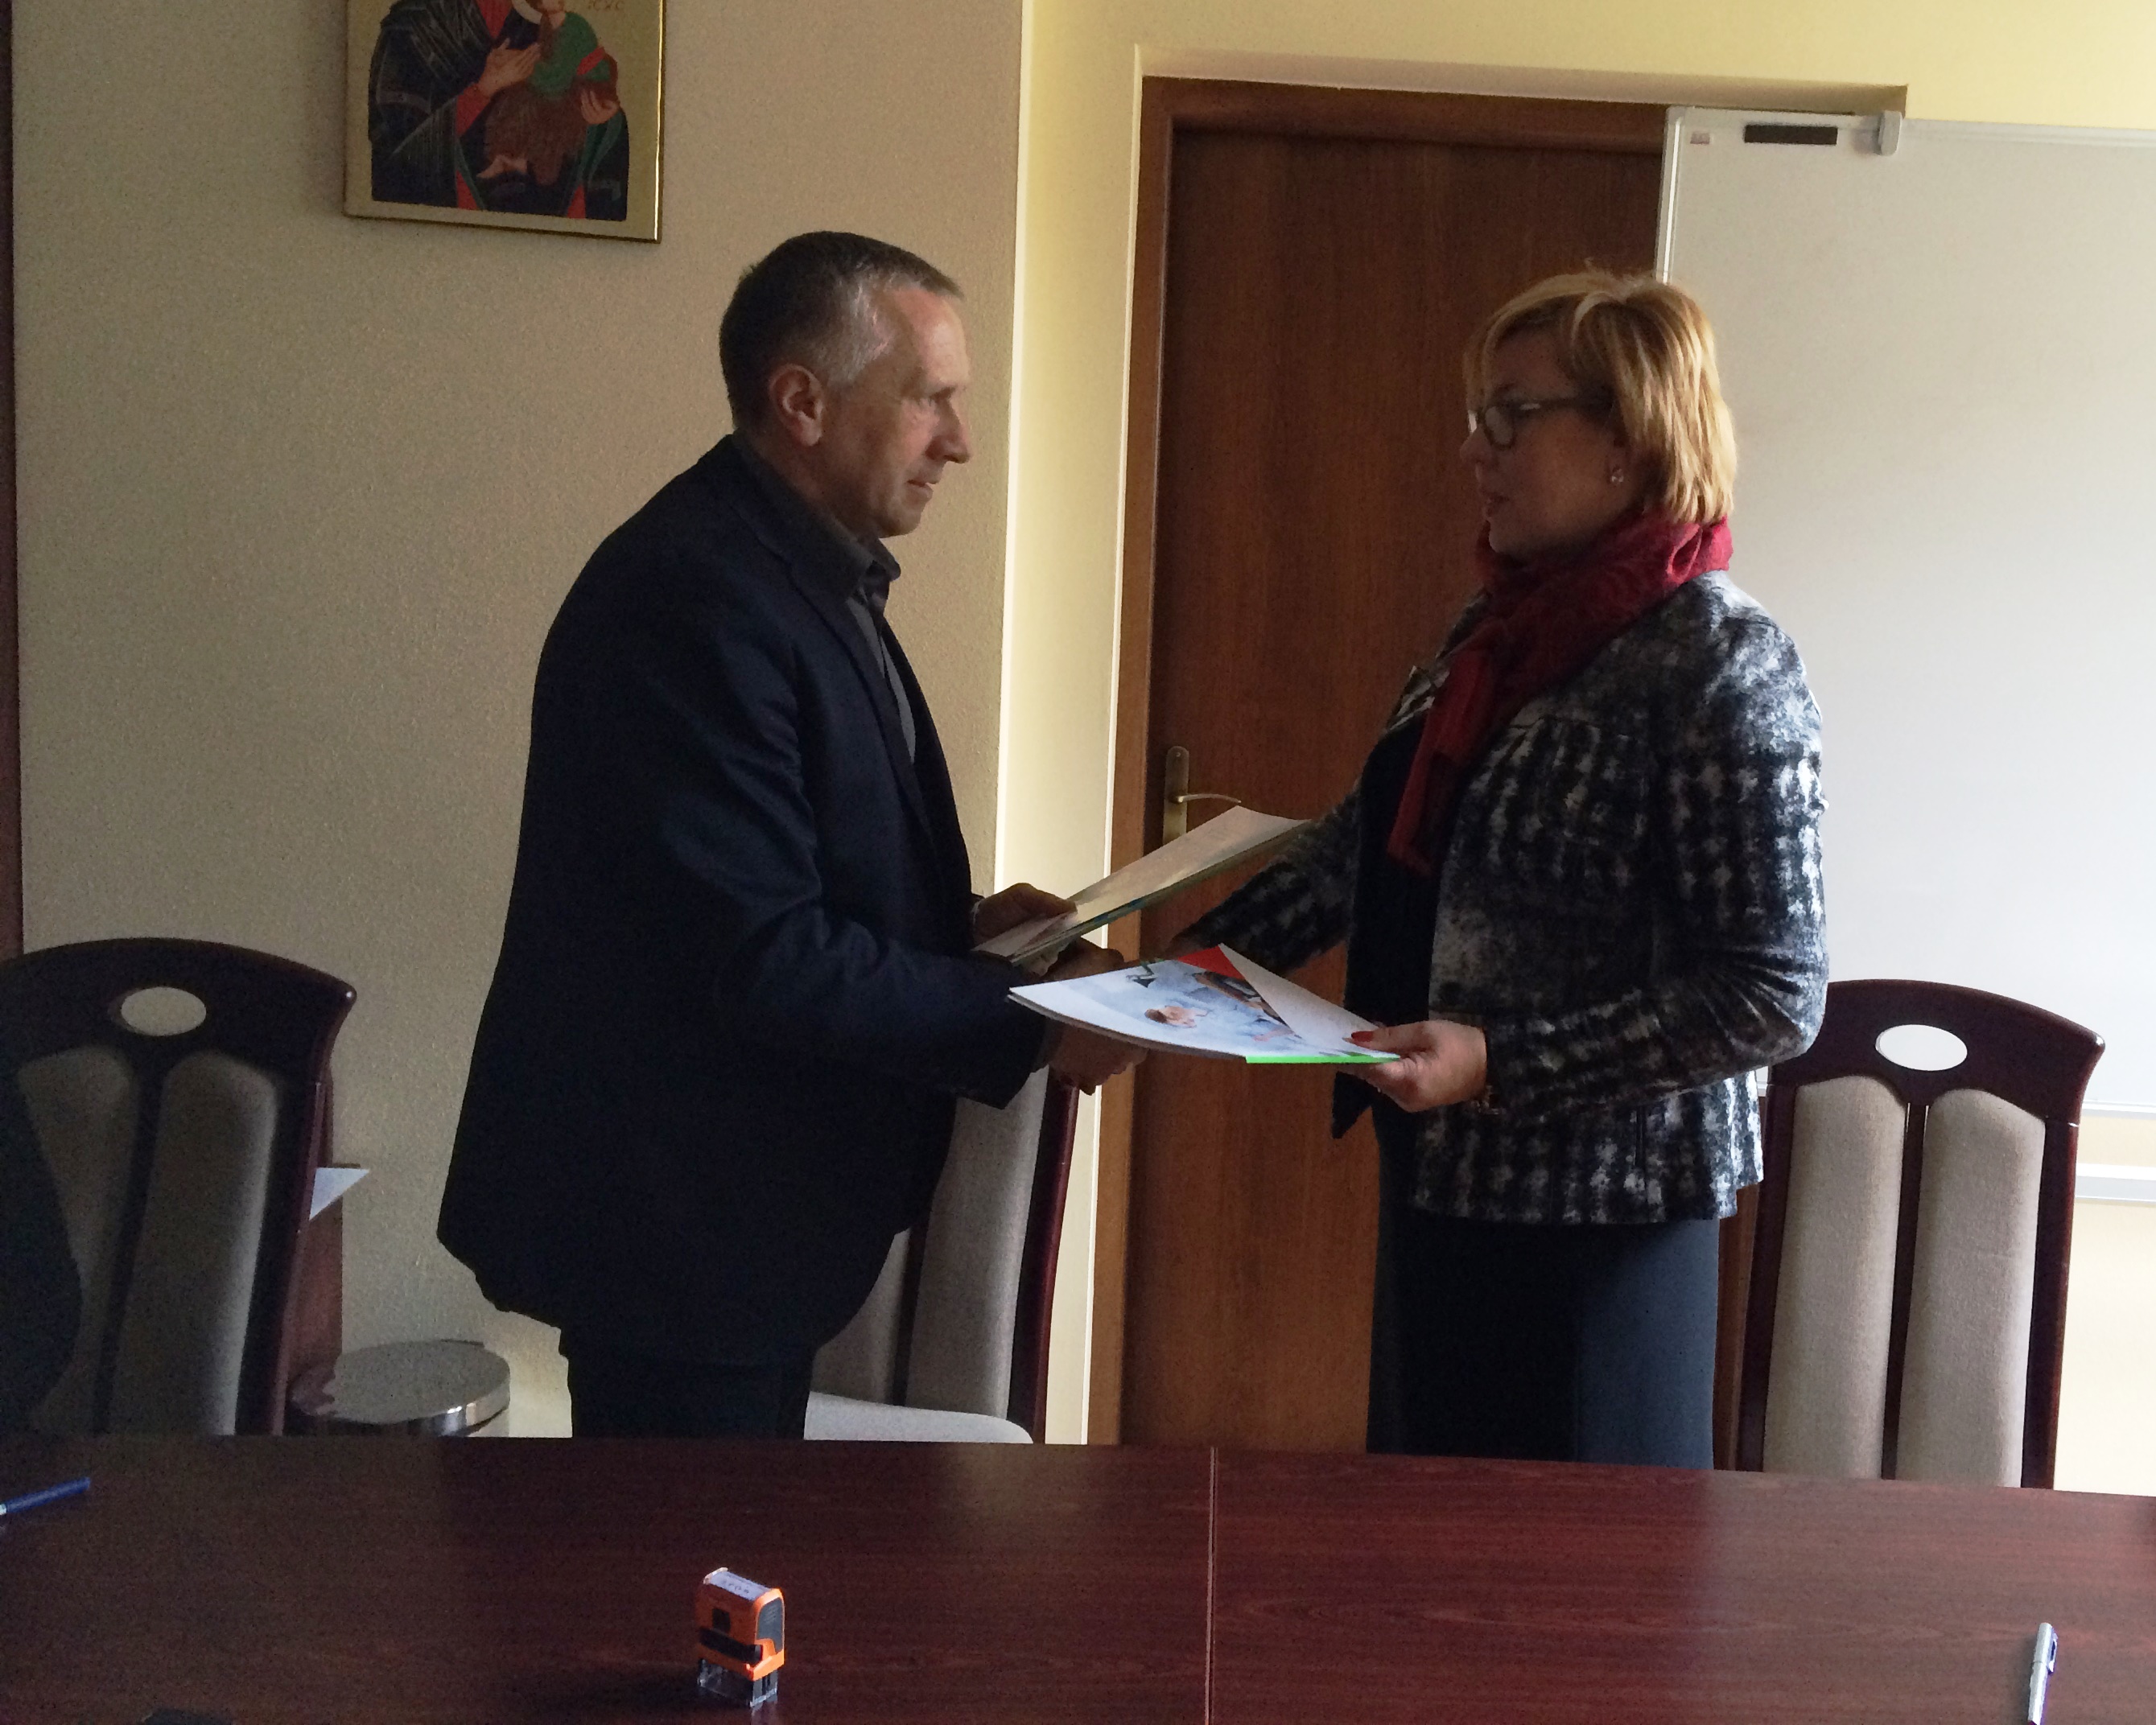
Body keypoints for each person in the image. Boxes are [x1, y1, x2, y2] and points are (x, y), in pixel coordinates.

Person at [440, 232, 1140, 1438]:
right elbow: (760, 955)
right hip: (680, 1236)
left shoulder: (799, 573)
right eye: (929, 399)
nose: (960, 442)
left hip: (739, 1230)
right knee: (686, 1557)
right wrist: (1032, 1016)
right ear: (803, 402)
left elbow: (772, 878)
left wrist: (965, 930)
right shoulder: (693, 596)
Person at [1176, 271, 1827, 1468]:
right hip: (1441, 1184)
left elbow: (1770, 995)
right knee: (1423, 1543)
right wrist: (1175, 972)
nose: (1475, 447)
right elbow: (1359, 846)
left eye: (1513, 415)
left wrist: (1502, 1062)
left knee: (1571, 1573)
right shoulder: (1489, 635)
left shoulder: (1720, 664)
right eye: (1479, 414)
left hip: (1600, 1238)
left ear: (1628, 442)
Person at [366, 0, 628, 221]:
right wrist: (482, 92)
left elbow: (576, 87)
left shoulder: (537, 26)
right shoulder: (413, 27)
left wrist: (603, 114)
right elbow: (395, 162)